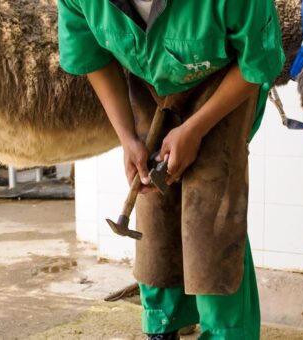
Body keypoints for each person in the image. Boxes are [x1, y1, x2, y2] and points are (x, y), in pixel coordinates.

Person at [58, 0, 284, 339]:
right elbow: (92, 55)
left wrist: (195, 129)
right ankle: (163, 326)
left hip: (226, 84)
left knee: (212, 215)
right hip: (151, 80)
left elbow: (257, 62)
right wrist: (127, 137)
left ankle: (225, 332)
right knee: (154, 206)